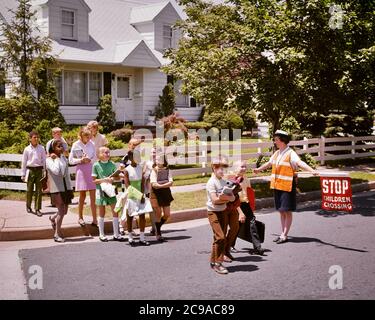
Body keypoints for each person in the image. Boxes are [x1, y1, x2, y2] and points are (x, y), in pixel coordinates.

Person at [253, 130, 318, 244]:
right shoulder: (277, 153)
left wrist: (312, 170)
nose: (275, 142)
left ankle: (284, 235)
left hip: (287, 186)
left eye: (276, 139)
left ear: (282, 140)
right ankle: (282, 233)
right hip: (278, 185)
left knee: (287, 211)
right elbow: (269, 163)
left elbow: (300, 163)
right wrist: (258, 170)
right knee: (281, 211)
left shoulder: (290, 153)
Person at [206, 156, 235, 275]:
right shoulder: (211, 183)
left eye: (224, 168)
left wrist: (226, 198)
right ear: (213, 168)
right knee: (221, 237)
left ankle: (212, 261)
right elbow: (214, 200)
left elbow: (233, 197)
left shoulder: (224, 182)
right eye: (219, 168)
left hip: (223, 211)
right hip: (213, 212)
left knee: (217, 238)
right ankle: (218, 263)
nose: (222, 171)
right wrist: (225, 199)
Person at [228, 160, 265, 255]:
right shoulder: (231, 179)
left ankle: (257, 247)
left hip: (246, 204)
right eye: (242, 167)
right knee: (236, 226)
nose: (244, 168)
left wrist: (251, 206)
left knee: (252, 223)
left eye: (245, 166)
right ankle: (229, 245)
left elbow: (249, 193)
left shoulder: (246, 179)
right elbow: (231, 198)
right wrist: (239, 211)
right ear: (235, 168)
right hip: (236, 205)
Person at [92, 147, 125, 242]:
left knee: (115, 210)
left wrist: (119, 176)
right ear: (99, 154)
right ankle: (101, 234)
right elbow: (94, 180)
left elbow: (116, 177)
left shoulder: (112, 164)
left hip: (111, 190)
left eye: (108, 152)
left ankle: (116, 234)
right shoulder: (96, 165)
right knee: (102, 212)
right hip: (101, 190)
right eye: (105, 152)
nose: (107, 154)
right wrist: (104, 179)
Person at [69, 127, 97, 227]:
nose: (89, 138)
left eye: (90, 136)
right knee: (82, 196)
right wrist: (80, 160)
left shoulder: (92, 144)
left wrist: (89, 159)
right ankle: (80, 217)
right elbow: (71, 160)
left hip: (91, 169)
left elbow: (95, 157)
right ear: (81, 136)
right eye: (87, 136)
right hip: (81, 170)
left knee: (93, 196)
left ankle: (95, 219)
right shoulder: (76, 144)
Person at [46, 139, 73, 243]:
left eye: (62, 146)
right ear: (52, 148)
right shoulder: (49, 160)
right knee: (61, 211)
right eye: (58, 146)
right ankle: (57, 234)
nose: (61, 148)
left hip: (66, 188)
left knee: (65, 211)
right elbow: (57, 172)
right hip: (57, 188)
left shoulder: (63, 158)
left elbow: (66, 174)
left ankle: (53, 218)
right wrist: (56, 159)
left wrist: (70, 187)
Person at [122, 150, 150, 246]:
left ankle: (142, 237)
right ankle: (130, 237)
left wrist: (142, 195)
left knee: (142, 216)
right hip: (131, 196)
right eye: (136, 157)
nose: (138, 159)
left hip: (140, 196)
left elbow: (142, 183)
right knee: (130, 216)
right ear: (130, 158)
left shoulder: (140, 168)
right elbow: (127, 185)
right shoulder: (127, 170)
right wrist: (137, 195)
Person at [21, 131, 46, 217]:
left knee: (39, 191)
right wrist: (23, 174)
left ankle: (37, 209)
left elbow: (44, 160)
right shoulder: (27, 149)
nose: (36, 139)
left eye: (37, 137)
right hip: (30, 171)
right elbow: (24, 162)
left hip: (39, 171)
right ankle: (28, 206)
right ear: (30, 139)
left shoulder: (42, 148)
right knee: (29, 190)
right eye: (34, 137)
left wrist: (44, 171)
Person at [150, 154, 174, 242]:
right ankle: (158, 234)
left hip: (165, 193)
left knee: (167, 214)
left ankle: (157, 227)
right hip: (155, 194)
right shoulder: (153, 170)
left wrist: (160, 185)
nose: (157, 160)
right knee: (158, 214)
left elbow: (171, 182)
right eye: (156, 159)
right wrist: (164, 184)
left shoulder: (168, 170)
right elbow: (153, 184)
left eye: (159, 159)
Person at [46, 127, 69, 207]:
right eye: (57, 133)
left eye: (60, 133)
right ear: (53, 134)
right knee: (53, 183)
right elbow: (48, 154)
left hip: (61, 162)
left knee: (62, 182)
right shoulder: (49, 142)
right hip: (53, 163)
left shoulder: (63, 142)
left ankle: (63, 199)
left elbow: (67, 153)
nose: (59, 135)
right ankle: (54, 201)